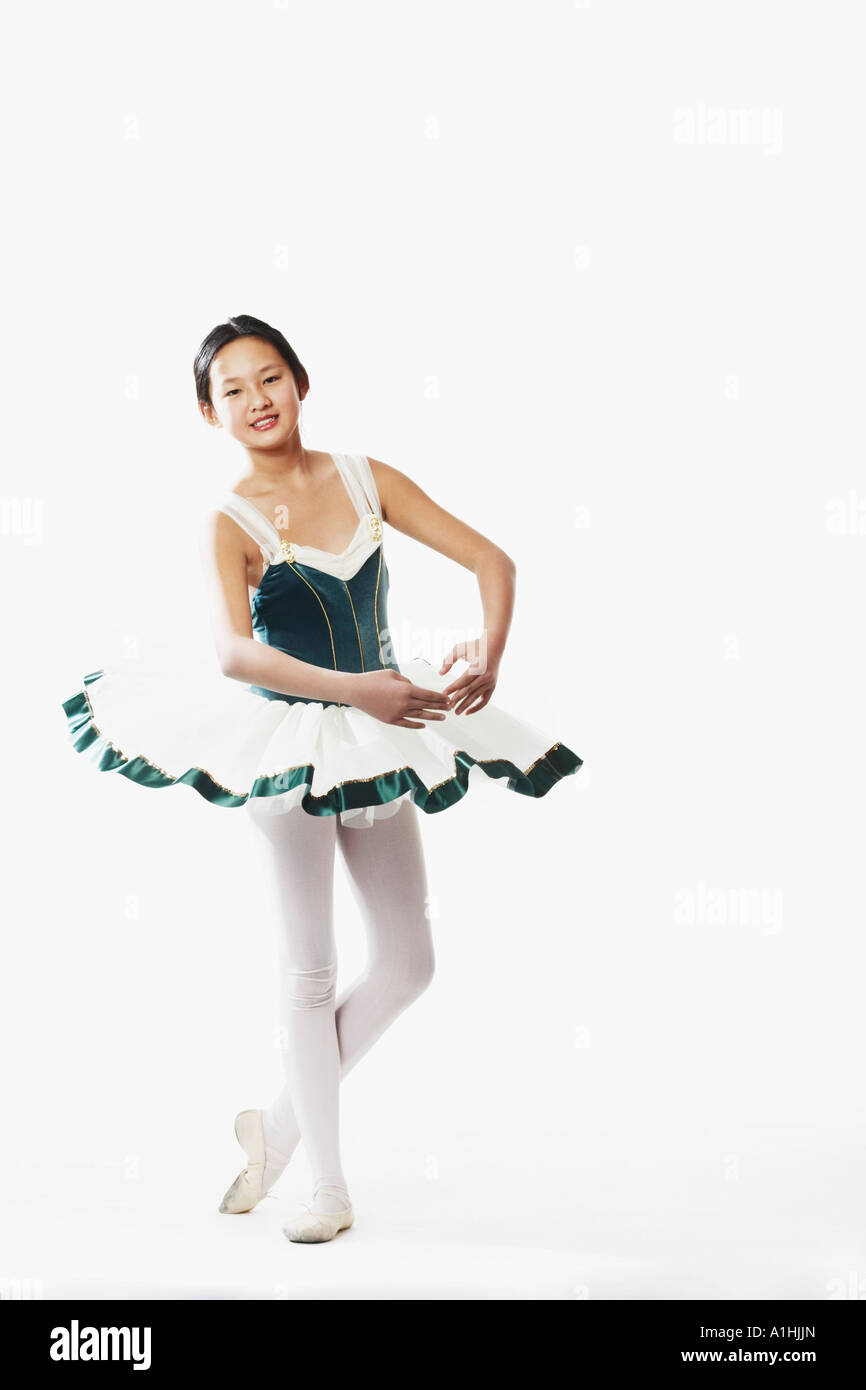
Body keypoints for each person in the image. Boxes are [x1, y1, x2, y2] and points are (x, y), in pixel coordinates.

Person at [61, 313, 583, 1243]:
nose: (256, 400)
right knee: (311, 969)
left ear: (302, 383)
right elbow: (232, 655)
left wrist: (487, 655)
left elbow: (491, 559)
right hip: (287, 741)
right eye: (232, 390)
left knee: (412, 960)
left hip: (378, 733)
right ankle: (326, 1186)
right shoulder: (228, 521)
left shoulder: (363, 477)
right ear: (208, 412)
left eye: (270, 378)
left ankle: (280, 1124)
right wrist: (358, 692)